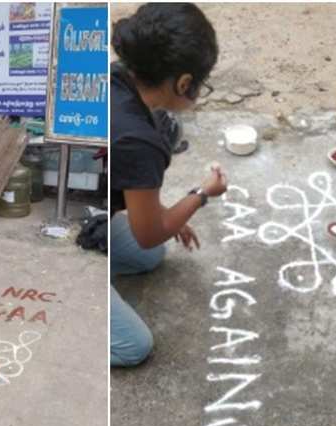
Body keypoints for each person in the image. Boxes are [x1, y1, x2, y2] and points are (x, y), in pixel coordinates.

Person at [110, 3, 227, 366]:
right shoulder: (140, 140)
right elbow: (149, 232)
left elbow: (128, 185)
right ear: (183, 83)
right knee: (134, 346)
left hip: (95, 210)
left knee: (152, 256)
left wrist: (166, 214)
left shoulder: (119, 79)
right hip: (76, 238)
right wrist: (202, 193)